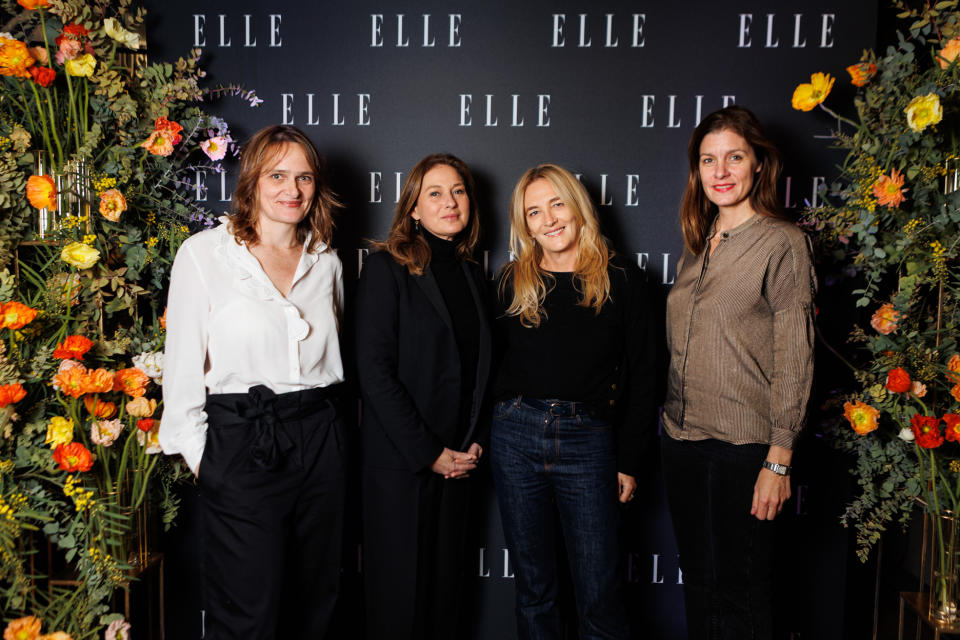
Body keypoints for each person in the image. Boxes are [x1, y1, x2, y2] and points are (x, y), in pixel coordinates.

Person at [159, 125, 346, 639]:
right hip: (244, 439)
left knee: (315, 608)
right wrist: (210, 465)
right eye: (278, 175)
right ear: (252, 182)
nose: (293, 189)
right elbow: (180, 377)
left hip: (321, 436)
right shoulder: (203, 255)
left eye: (304, 177)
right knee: (247, 615)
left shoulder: (326, 260)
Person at [661, 105, 816, 639]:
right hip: (682, 442)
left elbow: (796, 354)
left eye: (734, 157)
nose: (720, 171)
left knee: (742, 595)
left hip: (745, 449)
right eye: (708, 160)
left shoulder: (782, 242)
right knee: (700, 587)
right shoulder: (698, 243)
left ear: (758, 166)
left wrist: (779, 458)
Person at [490, 163, 658, 640]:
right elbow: (489, 368)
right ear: (524, 223)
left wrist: (630, 460)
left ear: (578, 206)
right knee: (534, 590)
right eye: (534, 212)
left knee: (599, 592)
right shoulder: (511, 281)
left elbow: (645, 376)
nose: (549, 220)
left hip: (589, 441)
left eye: (557, 204)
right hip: (515, 436)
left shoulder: (622, 278)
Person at [355, 153, 491, 639]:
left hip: (460, 465)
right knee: (400, 607)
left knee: (445, 604)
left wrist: (475, 441)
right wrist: (428, 453)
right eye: (434, 193)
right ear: (413, 207)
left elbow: (480, 373)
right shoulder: (385, 269)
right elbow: (373, 373)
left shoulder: (475, 275)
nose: (449, 202)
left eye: (458, 191)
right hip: (402, 466)